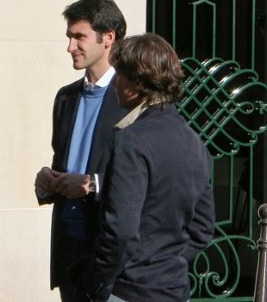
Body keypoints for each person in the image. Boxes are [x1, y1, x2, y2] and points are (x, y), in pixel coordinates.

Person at [80, 33, 216, 302]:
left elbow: (120, 230)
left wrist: (97, 282)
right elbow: (202, 228)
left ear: (137, 82)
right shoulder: (192, 140)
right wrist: (166, 263)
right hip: (173, 289)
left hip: (130, 290)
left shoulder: (132, 140)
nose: (115, 83)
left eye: (120, 75)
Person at [34, 0, 128, 301]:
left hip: (108, 251)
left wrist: (92, 185)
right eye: (69, 37)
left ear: (108, 38)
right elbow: (63, 159)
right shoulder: (66, 97)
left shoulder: (132, 99)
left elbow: (142, 176)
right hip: (68, 247)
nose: (70, 46)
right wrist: (48, 180)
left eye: (79, 37)